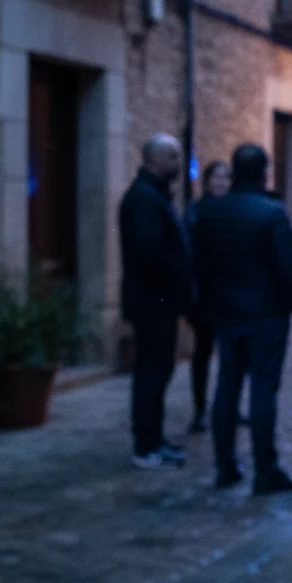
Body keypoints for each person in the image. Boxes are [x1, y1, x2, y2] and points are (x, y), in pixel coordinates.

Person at [193, 144, 292, 495]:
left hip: (227, 312)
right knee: (262, 390)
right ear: (264, 172)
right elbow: (288, 267)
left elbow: (200, 263)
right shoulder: (271, 213)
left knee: (227, 385)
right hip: (266, 314)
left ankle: (224, 465)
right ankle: (264, 469)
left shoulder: (210, 213)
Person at [119, 133, 191, 470]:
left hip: (157, 300)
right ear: (154, 160)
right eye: (173, 156)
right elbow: (150, 252)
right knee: (151, 373)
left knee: (157, 372)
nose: (179, 162)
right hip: (153, 302)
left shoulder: (153, 196)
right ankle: (146, 446)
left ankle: (153, 438)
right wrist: (178, 275)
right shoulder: (145, 200)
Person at [186, 161, 232, 434]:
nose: (221, 183)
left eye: (226, 178)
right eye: (217, 177)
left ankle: (227, 406)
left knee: (231, 355)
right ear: (207, 181)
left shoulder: (234, 211)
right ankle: (200, 409)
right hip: (204, 294)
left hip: (228, 294)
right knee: (202, 351)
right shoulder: (196, 212)